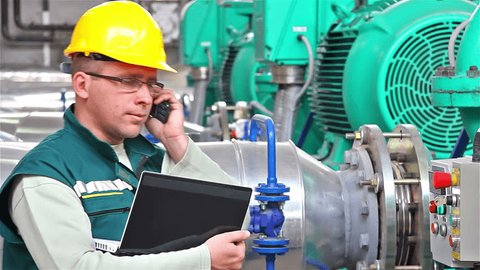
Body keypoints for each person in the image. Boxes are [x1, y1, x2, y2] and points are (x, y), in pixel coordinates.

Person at [0, 1, 250, 269]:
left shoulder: (154, 159)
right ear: (82, 85)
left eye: (151, 84)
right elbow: (78, 266)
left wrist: (175, 141)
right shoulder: (47, 174)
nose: (145, 98)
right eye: (129, 81)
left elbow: (234, 223)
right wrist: (201, 259)